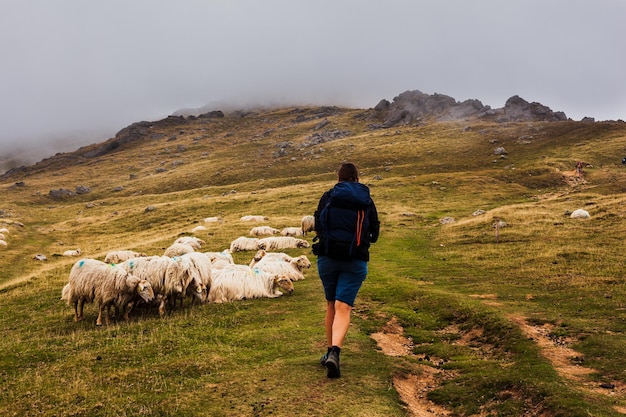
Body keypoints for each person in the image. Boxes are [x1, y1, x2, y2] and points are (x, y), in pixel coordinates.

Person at [312, 162, 380, 378]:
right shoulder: (366, 200)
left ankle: (328, 352)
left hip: (328, 258)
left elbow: (318, 225)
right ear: (357, 178)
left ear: (338, 177)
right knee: (344, 307)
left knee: (331, 304)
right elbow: (375, 233)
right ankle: (335, 353)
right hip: (355, 259)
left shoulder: (328, 196)